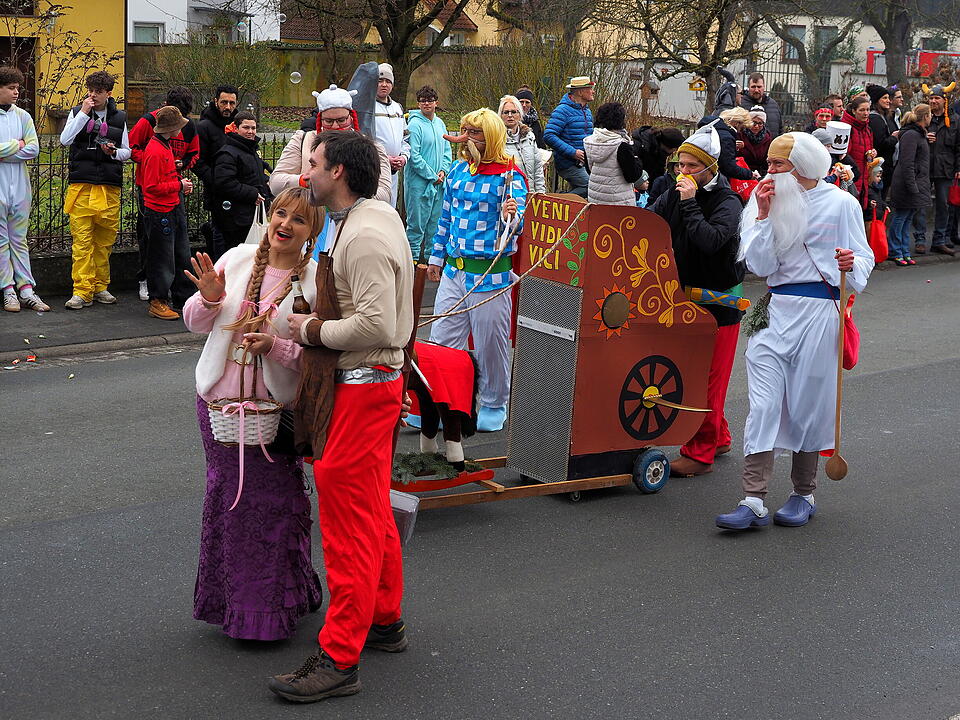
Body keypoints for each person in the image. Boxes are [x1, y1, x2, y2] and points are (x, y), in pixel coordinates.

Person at [269, 130, 413, 704]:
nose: (305, 173)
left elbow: (378, 326)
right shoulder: (369, 219)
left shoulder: (364, 235)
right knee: (371, 508)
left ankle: (339, 656)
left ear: (339, 173)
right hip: (374, 386)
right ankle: (384, 618)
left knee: (347, 524)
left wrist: (311, 330)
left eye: (314, 163)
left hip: (362, 387)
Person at [183, 187, 324, 641]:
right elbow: (194, 322)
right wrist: (208, 299)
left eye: (298, 219)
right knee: (229, 504)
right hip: (218, 408)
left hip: (275, 415)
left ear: (312, 230)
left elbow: (320, 360)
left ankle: (272, 608)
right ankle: (230, 605)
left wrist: (275, 346)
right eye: (280, 213)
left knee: (275, 507)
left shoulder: (315, 281)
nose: (285, 224)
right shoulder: (239, 257)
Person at [715, 132, 873, 530]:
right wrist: (763, 216)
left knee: (808, 405)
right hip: (775, 312)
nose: (768, 171)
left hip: (820, 314)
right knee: (764, 405)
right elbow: (760, 266)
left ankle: (803, 493)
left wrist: (851, 262)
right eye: (768, 163)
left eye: (777, 164)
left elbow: (864, 261)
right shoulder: (764, 199)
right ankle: (753, 499)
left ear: (800, 167)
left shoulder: (841, 203)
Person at [648, 125, 745, 477]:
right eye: (679, 165)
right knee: (691, 375)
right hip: (683, 298)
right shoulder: (673, 193)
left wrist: (690, 204)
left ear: (710, 167)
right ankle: (719, 437)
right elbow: (649, 222)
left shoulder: (728, 201)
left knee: (707, 381)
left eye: (691, 166)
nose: (683, 172)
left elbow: (711, 241)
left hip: (720, 304)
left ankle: (700, 453)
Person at [426, 108, 527, 433]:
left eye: (475, 133)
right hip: (454, 273)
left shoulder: (510, 176)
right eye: (465, 130)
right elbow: (445, 218)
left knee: (491, 345)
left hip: (490, 276)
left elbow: (518, 223)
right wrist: (436, 257)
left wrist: (512, 214)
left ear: (491, 137)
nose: (466, 137)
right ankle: (437, 401)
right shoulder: (457, 170)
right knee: (441, 340)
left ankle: (495, 403)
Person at [59, 70, 130, 310]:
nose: (93, 95)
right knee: (82, 242)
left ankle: (100, 287)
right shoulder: (77, 113)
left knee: (104, 242)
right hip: (82, 185)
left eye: (98, 92)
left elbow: (127, 151)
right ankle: (81, 291)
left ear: (108, 93)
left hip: (108, 187)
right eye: (90, 91)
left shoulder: (119, 117)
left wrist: (114, 152)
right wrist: (83, 113)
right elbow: (65, 140)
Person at [269, 84, 392, 217]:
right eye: (328, 121)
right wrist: (307, 180)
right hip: (309, 220)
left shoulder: (372, 147)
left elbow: (384, 194)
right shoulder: (302, 140)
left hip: (353, 219)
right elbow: (275, 183)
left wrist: (342, 192)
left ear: (351, 117)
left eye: (341, 120)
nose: (335, 126)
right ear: (320, 119)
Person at [129, 86, 199, 302]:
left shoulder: (169, 142)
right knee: (156, 245)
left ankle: (180, 294)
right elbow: (133, 149)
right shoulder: (152, 135)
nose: (182, 125)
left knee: (178, 246)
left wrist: (181, 165)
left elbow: (194, 153)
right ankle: (152, 288)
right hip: (159, 196)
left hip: (172, 190)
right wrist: (156, 165)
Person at [140, 106, 194, 320]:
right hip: (160, 210)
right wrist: (179, 185)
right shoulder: (156, 151)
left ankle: (183, 298)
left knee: (180, 255)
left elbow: (161, 178)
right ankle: (158, 300)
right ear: (172, 128)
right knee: (163, 259)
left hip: (170, 206)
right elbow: (151, 186)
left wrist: (178, 183)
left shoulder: (163, 146)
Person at [0, 66, 46, 313]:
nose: (17, 92)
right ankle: (8, 290)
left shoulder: (23, 117)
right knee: (1, 241)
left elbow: (33, 149)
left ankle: (26, 289)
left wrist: (4, 152)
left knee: (19, 239)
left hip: (20, 187)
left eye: (17, 88)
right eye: (11, 88)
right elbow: (24, 148)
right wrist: (16, 145)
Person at [211, 111, 272, 251]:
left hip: (251, 216)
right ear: (236, 128)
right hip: (235, 220)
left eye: (253, 128)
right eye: (246, 127)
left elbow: (255, 176)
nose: (250, 132)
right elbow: (224, 183)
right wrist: (252, 194)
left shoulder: (251, 151)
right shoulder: (227, 153)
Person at [404, 85, 452, 261]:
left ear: (436, 103)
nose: (426, 104)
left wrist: (443, 171)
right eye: (422, 101)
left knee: (436, 225)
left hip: (438, 184)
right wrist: (432, 176)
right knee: (416, 225)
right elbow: (414, 156)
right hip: (419, 185)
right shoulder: (414, 125)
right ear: (418, 104)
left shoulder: (440, 124)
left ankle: (432, 261)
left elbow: (447, 150)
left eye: (430, 100)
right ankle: (412, 261)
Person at [914, 84, 960, 256]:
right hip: (924, 168)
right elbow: (909, 135)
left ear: (944, 100)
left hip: (945, 168)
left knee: (944, 206)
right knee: (921, 204)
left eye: (937, 98)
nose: (933, 101)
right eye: (931, 98)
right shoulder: (921, 118)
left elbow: (959, 146)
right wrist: (924, 137)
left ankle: (939, 241)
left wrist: (958, 168)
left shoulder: (955, 120)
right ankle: (919, 240)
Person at [195, 85, 239, 259]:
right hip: (217, 192)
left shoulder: (239, 124)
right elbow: (198, 162)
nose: (228, 107)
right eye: (224, 102)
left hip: (238, 189)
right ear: (215, 101)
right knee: (220, 235)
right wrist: (216, 180)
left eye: (232, 103)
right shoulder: (204, 126)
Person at [887, 104, 932, 266]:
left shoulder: (919, 134)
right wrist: (912, 186)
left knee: (907, 218)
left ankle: (904, 251)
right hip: (907, 183)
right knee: (900, 217)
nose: (931, 117)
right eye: (930, 115)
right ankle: (895, 250)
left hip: (916, 182)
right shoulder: (912, 135)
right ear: (925, 116)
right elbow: (907, 163)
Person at [543, 76, 595, 197]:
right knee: (589, 187)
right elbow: (549, 135)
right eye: (590, 89)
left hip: (583, 163)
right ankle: (558, 200)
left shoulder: (587, 111)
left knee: (586, 192)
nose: (593, 92)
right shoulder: (562, 110)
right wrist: (572, 152)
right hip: (568, 163)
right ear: (580, 92)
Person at [583, 101, 641, 205]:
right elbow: (632, 176)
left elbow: (589, 170)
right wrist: (637, 159)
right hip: (619, 203)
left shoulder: (590, 142)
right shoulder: (621, 145)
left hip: (596, 200)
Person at [374, 63, 409, 208]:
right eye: (380, 81)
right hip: (375, 170)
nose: (384, 84)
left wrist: (404, 157)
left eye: (388, 81)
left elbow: (405, 139)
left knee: (390, 209)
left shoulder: (397, 108)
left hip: (394, 172)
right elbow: (363, 141)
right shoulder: (367, 107)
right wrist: (384, 158)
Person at [500, 94, 545, 193]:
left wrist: (540, 193)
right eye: (506, 112)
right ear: (500, 115)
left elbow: (538, 168)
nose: (510, 115)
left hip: (530, 193)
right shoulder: (497, 139)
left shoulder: (529, 137)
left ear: (520, 114)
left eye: (514, 112)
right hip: (509, 194)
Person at [701, 109, 755, 183]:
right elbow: (728, 167)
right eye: (742, 128)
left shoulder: (710, 129)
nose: (740, 132)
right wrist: (750, 174)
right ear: (737, 123)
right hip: (713, 179)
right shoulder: (726, 138)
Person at [840, 96, 876, 205]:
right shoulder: (847, 129)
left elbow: (868, 152)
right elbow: (843, 156)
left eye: (868, 110)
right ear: (854, 111)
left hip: (864, 177)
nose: (866, 113)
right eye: (862, 110)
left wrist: (872, 153)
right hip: (850, 177)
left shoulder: (868, 129)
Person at [867, 85, 898, 188]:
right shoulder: (875, 119)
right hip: (880, 166)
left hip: (885, 166)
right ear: (876, 100)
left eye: (888, 98)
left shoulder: (884, 116)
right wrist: (894, 138)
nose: (888, 101)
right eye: (884, 98)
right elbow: (880, 144)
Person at [738, 73, 782, 137]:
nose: (756, 90)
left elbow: (780, 130)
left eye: (759, 87)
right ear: (748, 87)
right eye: (753, 87)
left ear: (764, 87)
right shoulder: (741, 105)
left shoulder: (773, 105)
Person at [739, 106, 772, 176]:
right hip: (741, 172)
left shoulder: (767, 138)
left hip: (759, 174)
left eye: (760, 123)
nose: (756, 126)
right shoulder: (740, 134)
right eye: (754, 123)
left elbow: (767, 161)